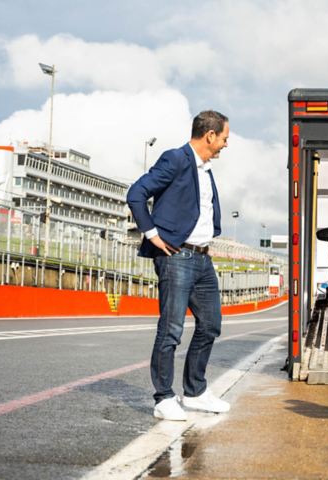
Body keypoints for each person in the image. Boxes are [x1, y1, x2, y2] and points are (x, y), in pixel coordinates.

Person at [127, 110, 231, 421]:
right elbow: (136, 194)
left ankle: (196, 392)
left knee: (211, 324)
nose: (226, 144)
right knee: (171, 329)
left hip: (202, 257)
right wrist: (153, 235)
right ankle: (163, 398)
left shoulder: (206, 170)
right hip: (176, 256)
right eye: (225, 138)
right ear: (210, 135)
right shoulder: (175, 159)